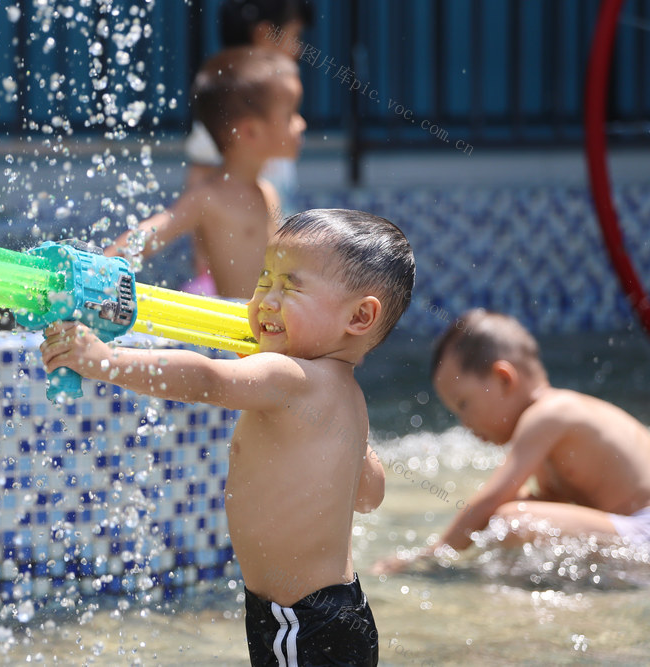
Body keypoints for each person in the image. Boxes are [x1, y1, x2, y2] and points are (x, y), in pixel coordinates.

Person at [44, 209, 416, 665]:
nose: (266, 300)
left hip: (296, 620)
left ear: (360, 316)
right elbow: (369, 495)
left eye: (291, 286)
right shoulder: (347, 399)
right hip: (332, 611)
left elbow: (207, 380)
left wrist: (106, 361)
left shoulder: (286, 375)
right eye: (264, 279)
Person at [374, 309, 650, 575]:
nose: (463, 422)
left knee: (512, 522)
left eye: (464, 404)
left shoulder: (548, 414)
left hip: (644, 530)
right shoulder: (552, 425)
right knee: (510, 514)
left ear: (504, 379)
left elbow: (492, 498)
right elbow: (551, 502)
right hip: (636, 529)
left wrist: (433, 555)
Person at [103, 46, 306, 300]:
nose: (301, 123)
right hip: (234, 332)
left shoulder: (267, 191)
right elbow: (153, 233)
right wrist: (97, 269)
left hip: (269, 330)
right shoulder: (208, 198)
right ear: (250, 132)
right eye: (290, 115)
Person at [182, 0, 314, 296]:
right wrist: (205, 260)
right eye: (296, 36)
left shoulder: (267, 185)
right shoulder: (233, 111)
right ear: (266, 34)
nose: (299, 48)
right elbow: (199, 180)